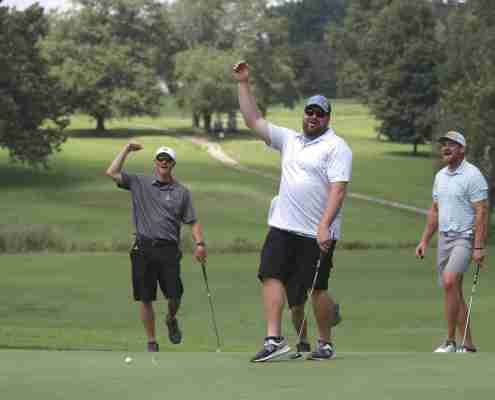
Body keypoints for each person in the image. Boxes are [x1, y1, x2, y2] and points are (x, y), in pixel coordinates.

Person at [233, 61, 352, 362]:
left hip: (316, 232)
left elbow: (338, 189)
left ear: (327, 118)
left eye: (319, 113)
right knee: (269, 273)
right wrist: (243, 83)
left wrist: (324, 226)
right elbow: (253, 120)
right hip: (282, 226)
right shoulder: (290, 140)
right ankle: (274, 338)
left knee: (316, 289)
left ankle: (325, 343)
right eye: (309, 111)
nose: (313, 117)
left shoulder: (337, 147)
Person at [106, 142, 207, 352]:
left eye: (168, 160)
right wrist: (126, 149)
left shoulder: (181, 192)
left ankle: (170, 318)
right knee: (145, 298)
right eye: (160, 159)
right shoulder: (139, 182)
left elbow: (193, 221)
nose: (164, 162)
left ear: (173, 164)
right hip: (143, 248)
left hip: (168, 249)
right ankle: (152, 341)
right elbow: (112, 172)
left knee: (175, 295)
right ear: (155, 162)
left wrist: (199, 244)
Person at [415, 131, 488, 353]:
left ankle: (449, 341)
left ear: (462, 149)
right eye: (444, 145)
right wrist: (424, 240)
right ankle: (468, 344)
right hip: (444, 238)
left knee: (449, 281)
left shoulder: (473, 175)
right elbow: (435, 211)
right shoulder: (440, 177)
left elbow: (482, 212)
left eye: (452, 145)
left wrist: (478, 247)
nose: (446, 148)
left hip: (465, 237)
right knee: (453, 289)